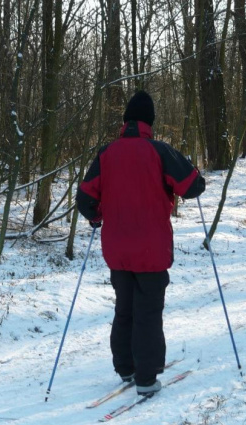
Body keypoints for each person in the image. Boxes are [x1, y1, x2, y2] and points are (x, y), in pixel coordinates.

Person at [76, 90, 206, 396]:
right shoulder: (160, 151)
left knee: (124, 309)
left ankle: (126, 369)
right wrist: (196, 179)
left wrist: (96, 218)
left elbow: (85, 198)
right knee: (147, 312)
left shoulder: (106, 154)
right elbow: (192, 185)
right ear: (150, 122)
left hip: (117, 251)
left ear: (125, 122)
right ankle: (146, 379)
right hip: (151, 250)